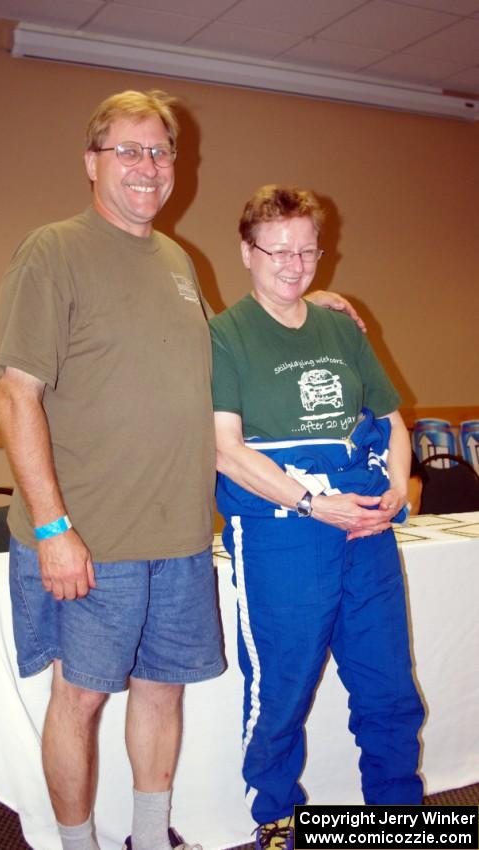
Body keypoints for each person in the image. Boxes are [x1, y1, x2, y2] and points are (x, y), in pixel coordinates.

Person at [0, 91, 366, 850]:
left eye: (160, 151)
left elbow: (220, 354)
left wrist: (299, 295)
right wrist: (53, 526)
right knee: (81, 700)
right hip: (92, 536)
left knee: (161, 692)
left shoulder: (176, 260)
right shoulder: (53, 249)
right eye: (128, 150)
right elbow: (14, 391)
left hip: (181, 534)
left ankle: (148, 835)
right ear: (91, 161)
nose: (148, 166)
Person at [210, 185, 424, 850]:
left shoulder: (341, 326)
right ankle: (275, 820)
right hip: (284, 532)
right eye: (277, 251)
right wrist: (308, 502)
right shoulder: (223, 336)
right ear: (246, 252)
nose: (293, 265)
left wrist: (394, 486)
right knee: (281, 689)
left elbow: (389, 419)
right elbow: (225, 449)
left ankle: (397, 822)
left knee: (388, 688)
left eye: (306, 251)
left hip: (364, 528)